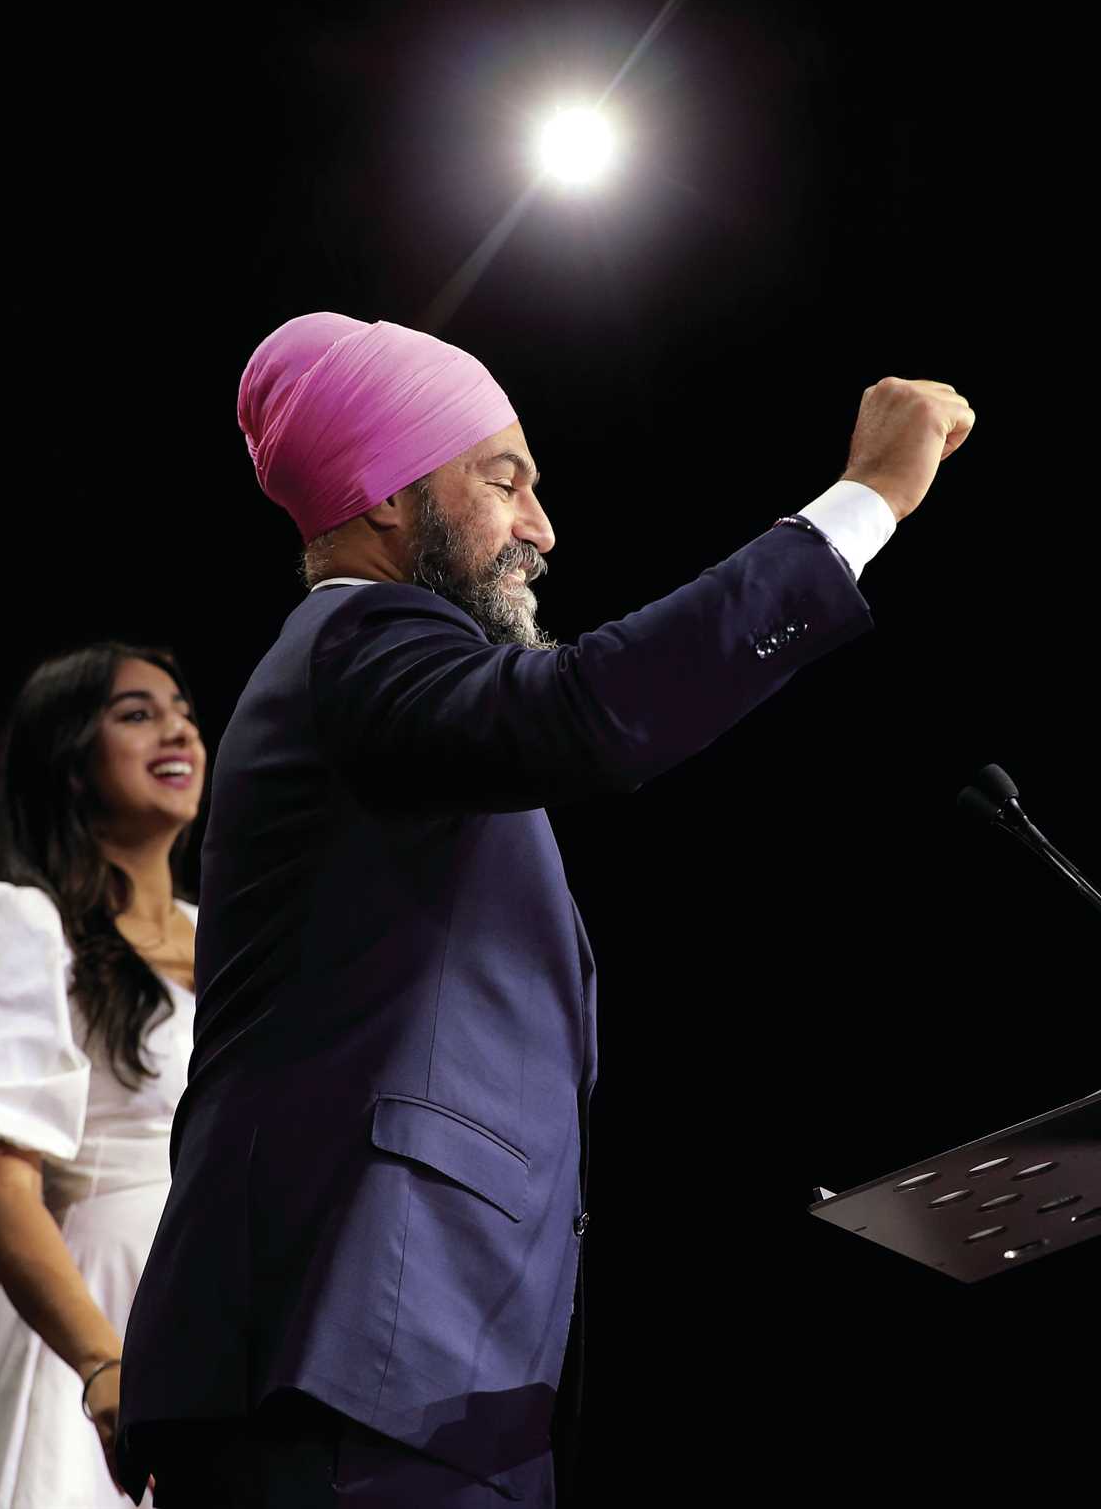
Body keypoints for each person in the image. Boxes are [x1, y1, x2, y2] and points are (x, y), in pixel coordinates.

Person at [117, 313, 974, 1507]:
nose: (542, 527)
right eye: (503, 479)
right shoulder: (359, 635)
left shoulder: (385, 704)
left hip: (422, 1370)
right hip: (344, 1363)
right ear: (381, 500)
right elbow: (592, 710)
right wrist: (866, 499)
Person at [0, 642, 207, 1508]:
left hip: (226, 1309)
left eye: (182, 708)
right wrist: (103, 1364)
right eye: (136, 712)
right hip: (98, 1306)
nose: (177, 727)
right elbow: (1, 1187)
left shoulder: (225, 935)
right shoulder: (18, 924)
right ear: (70, 764)